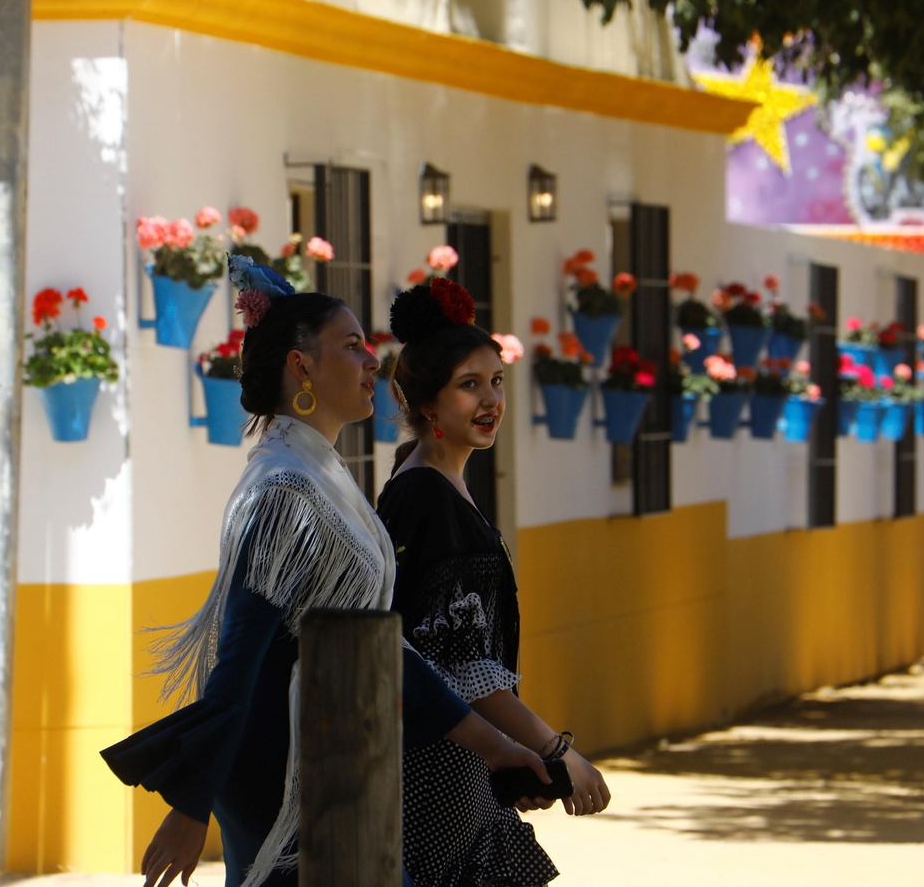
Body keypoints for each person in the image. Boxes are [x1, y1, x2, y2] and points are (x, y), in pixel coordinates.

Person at [103, 257, 551, 887]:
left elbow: (377, 646)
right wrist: (190, 804)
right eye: (352, 346)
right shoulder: (286, 488)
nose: (374, 362)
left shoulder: (321, 477)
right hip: (285, 772)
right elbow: (239, 660)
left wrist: (495, 746)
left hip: (336, 761)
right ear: (302, 366)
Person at [376, 278, 611, 887]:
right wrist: (557, 750)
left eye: (496, 381)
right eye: (468, 385)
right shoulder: (427, 496)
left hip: (454, 755)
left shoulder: (429, 483)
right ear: (427, 404)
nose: (490, 401)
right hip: (436, 766)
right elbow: (463, 668)